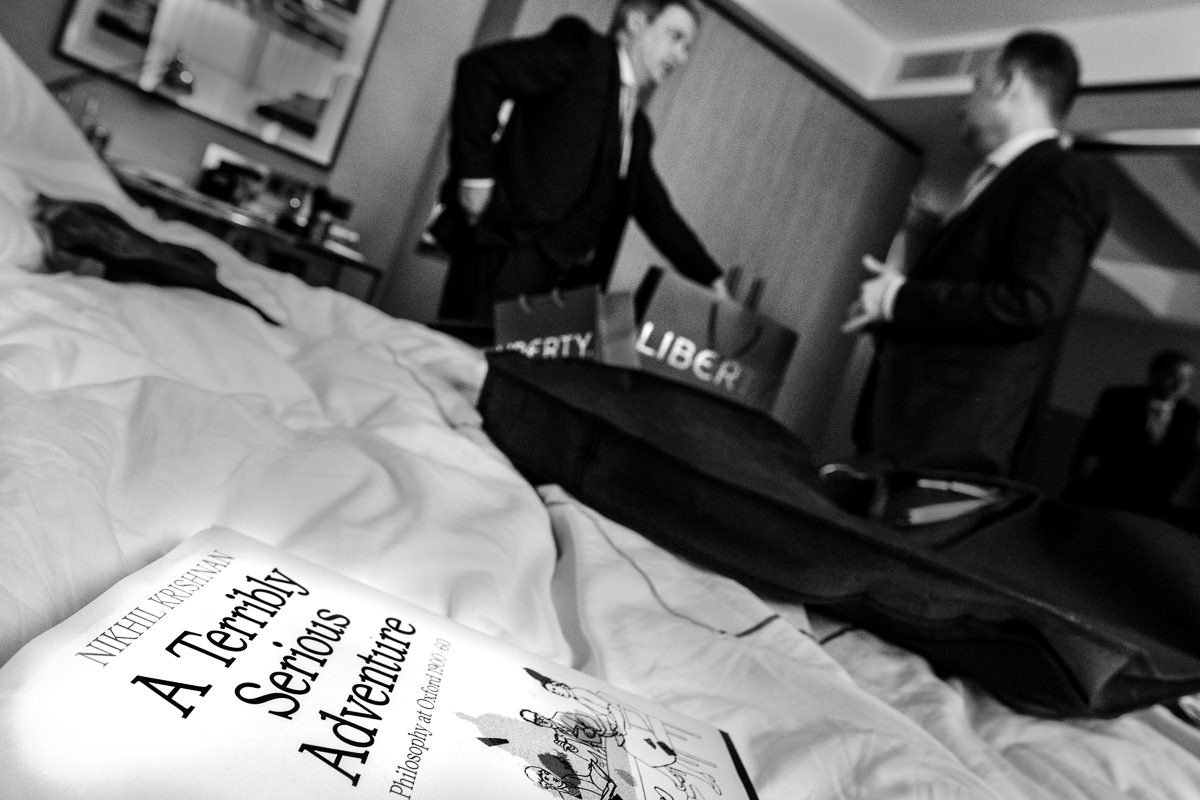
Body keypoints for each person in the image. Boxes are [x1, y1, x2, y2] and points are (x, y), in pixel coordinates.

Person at [844, 30, 1110, 476]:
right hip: (906, 437)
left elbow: (1031, 302)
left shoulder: (1061, 176)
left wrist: (898, 298)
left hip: (948, 450)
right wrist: (892, 317)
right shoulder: (993, 180)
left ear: (1009, 83)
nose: (964, 104)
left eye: (975, 86)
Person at [433, 0, 727, 333]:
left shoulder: (638, 130)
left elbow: (656, 210)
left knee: (501, 383)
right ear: (635, 23)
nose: (680, 56)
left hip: (561, 291)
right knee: (457, 366)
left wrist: (710, 276)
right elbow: (482, 70)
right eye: (674, 37)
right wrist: (475, 176)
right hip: (507, 256)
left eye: (687, 47)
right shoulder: (583, 52)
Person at [1065, 349, 1199, 516]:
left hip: (1148, 499)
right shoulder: (1120, 398)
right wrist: (1085, 467)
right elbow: (1094, 436)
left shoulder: (1189, 415)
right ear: (1155, 373)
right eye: (1173, 376)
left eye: (1186, 380)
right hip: (1107, 485)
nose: (1179, 385)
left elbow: (1183, 457)